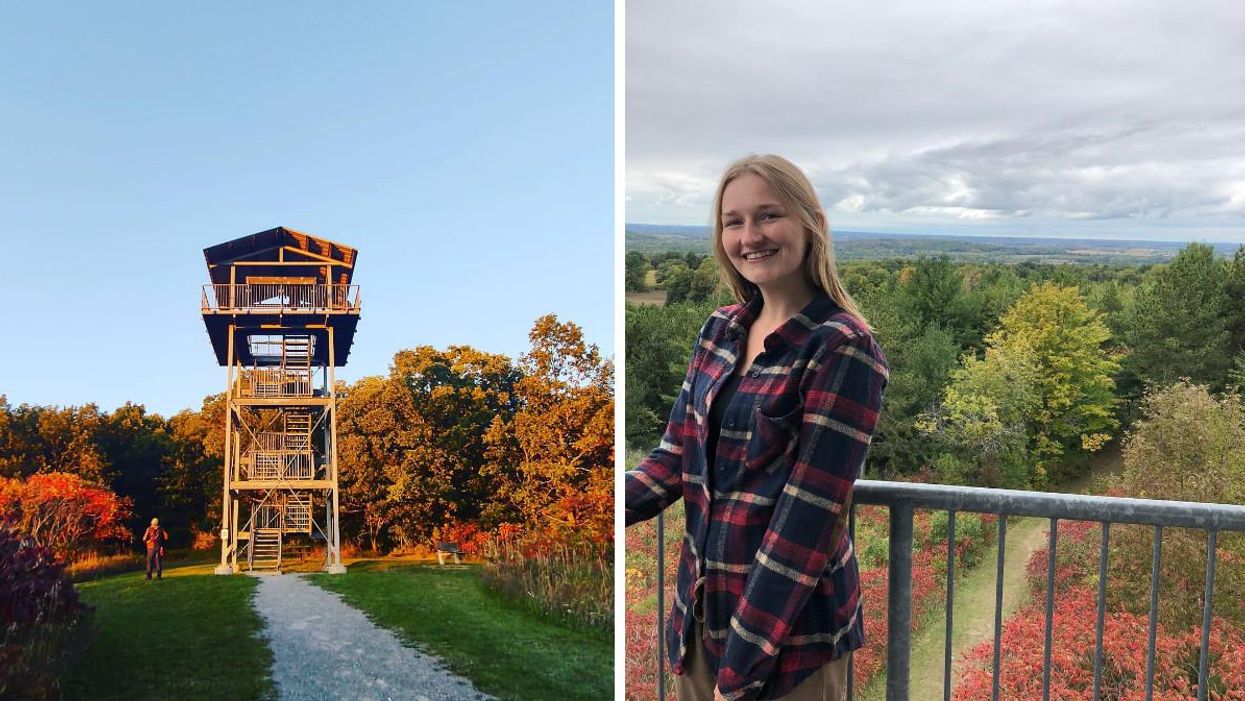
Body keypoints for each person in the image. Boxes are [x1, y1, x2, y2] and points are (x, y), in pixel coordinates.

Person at [625, 154, 889, 701]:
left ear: (809, 223)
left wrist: (743, 666)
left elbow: (808, 518)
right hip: (700, 618)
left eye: (769, 216)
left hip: (790, 639)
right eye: (733, 221)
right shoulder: (721, 328)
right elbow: (675, 455)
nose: (750, 236)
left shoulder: (841, 346)